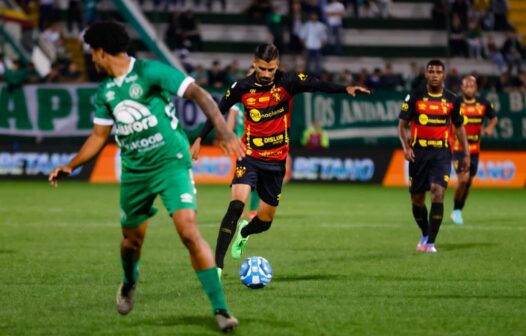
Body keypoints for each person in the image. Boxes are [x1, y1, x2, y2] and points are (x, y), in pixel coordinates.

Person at [47, 21, 243, 332]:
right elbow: (99, 136)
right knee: (131, 243)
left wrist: (223, 131)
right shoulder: (105, 92)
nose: (92, 60)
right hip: (135, 173)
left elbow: (199, 94)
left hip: (171, 163)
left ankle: (220, 310)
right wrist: (72, 164)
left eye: (92, 54)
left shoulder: (150, 72)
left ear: (100, 51)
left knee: (189, 231)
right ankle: (129, 281)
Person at [191, 43, 370, 273]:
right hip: (250, 155)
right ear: (254, 63)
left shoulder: (288, 82)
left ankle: (244, 233)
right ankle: (216, 267)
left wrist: (345, 89)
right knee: (236, 206)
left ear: (278, 66)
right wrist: (199, 138)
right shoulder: (242, 87)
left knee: (264, 222)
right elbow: (218, 109)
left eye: (271, 69)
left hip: (276, 161)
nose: (266, 74)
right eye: (262, 68)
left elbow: (317, 84)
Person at [398, 59, 470, 253]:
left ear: (444, 75)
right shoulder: (414, 96)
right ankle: (425, 233)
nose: (435, 75)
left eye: (439, 72)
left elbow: (460, 128)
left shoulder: (453, 99)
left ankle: (430, 243)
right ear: (426, 74)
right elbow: (402, 126)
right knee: (417, 200)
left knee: (438, 191)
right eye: (431, 72)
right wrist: (406, 147)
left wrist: (466, 152)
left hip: (441, 153)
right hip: (418, 153)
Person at [451, 76, 497, 224]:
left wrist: (490, 127)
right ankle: (456, 210)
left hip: (475, 149)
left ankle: (458, 210)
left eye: (472, 86)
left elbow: (494, 118)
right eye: (466, 86)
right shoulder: (456, 103)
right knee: (463, 180)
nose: (469, 89)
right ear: (462, 88)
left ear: (476, 88)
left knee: (469, 182)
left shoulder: (484, 103)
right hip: (459, 148)